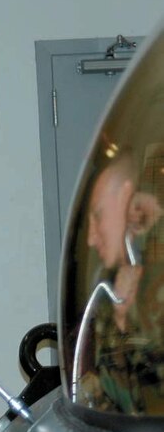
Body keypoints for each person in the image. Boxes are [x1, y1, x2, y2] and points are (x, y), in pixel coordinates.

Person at [80, 147, 164, 413]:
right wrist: (121, 321)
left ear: (128, 201)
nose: (91, 238)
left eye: (98, 216)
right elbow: (115, 402)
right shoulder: (116, 293)